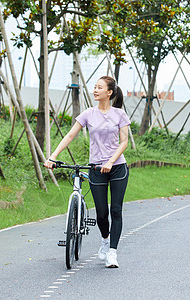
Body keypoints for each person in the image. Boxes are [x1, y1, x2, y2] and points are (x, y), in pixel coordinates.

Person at [44, 76, 130, 268]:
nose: (95, 90)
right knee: (101, 214)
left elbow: (124, 142)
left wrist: (110, 161)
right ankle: (105, 240)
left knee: (115, 210)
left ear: (109, 92)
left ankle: (113, 253)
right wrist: (52, 156)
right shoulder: (88, 114)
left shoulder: (120, 115)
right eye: (94, 87)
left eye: (100, 87)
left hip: (117, 168)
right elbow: (70, 135)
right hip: (96, 168)